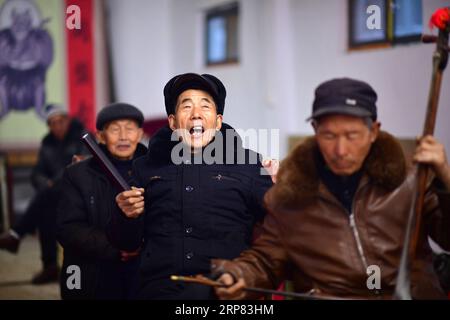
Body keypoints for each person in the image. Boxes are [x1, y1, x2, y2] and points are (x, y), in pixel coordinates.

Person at [212, 78, 450, 300]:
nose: (341, 149)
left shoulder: (409, 180)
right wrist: (237, 275)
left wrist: (445, 178)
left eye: (352, 135)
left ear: (374, 131)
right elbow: (266, 260)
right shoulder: (291, 195)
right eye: (329, 135)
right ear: (315, 130)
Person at [109, 73, 273, 299]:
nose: (196, 114)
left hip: (227, 287)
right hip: (160, 287)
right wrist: (126, 215)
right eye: (186, 106)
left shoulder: (249, 164)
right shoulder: (144, 168)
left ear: (217, 121)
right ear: (173, 122)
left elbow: (281, 223)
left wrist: (285, 188)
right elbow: (126, 242)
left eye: (205, 106)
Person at [56, 103, 147, 299]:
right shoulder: (77, 174)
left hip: (144, 272)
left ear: (140, 134)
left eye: (129, 128)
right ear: (101, 137)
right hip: (94, 273)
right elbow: (67, 229)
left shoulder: (154, 171)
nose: (123, 136)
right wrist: (117, 250)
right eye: (114, 129)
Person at [0, 104, 86, 284]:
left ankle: (17, 234)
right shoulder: (47, 143)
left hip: (79, 191)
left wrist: (52, 183)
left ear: (67, 120)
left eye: (60, 121)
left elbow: (82, 166)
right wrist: (46, 183)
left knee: (45, 197)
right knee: (45, 208)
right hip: (54, 195)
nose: (57, 126)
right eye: (52, 123)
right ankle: (50, 267)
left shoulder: (82, 137)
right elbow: (36, 173)